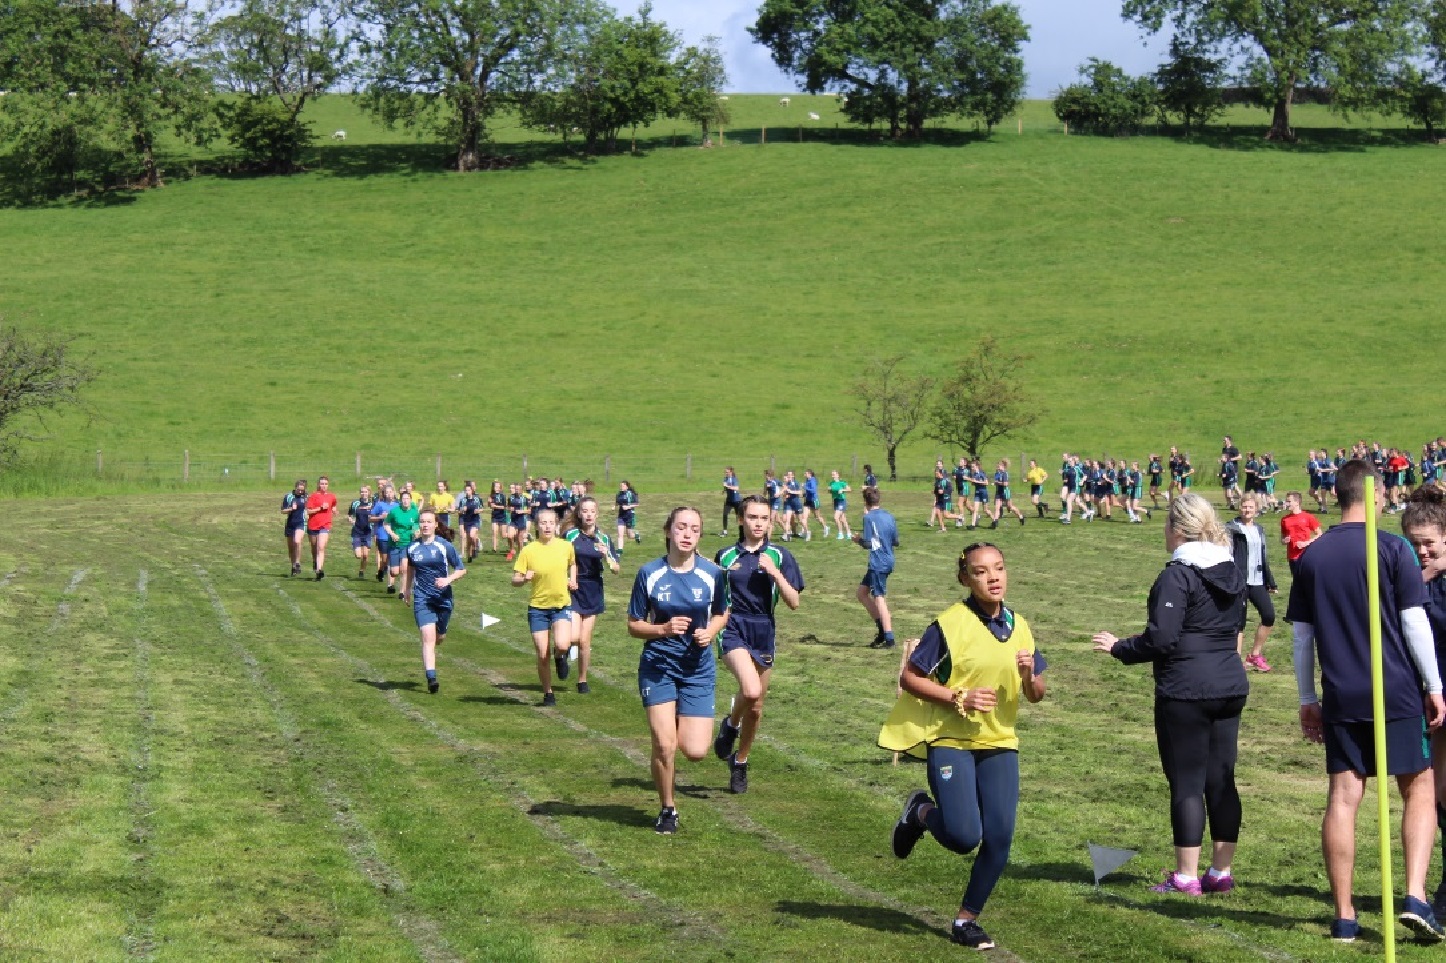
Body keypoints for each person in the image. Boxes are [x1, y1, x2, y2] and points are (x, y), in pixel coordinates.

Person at [1289, 459, 1445, 943]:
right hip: (1397, 690)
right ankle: (1415, 896)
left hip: (1340, 692)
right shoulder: (1393, 548)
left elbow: (1301, 638)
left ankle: (1344, 915)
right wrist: (1434, 685)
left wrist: (1307, 697)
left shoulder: (1311, 556)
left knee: (1342, 797)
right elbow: (1415, 622)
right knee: (1419, 787)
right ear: (1375, 494)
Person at [880, 542, 1046, 952]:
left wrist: (1029, 675)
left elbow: (1037, 693)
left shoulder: (1020, 626)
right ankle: (920, 812)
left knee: (1000, 837)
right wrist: (959, 697)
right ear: (964, 578)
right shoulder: (950, 624)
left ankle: (965, 920)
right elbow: (910, 678)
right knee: (962, 836)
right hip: (952, 740)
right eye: (980, 571)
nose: (993, 577)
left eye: (999, 568)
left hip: (1000, 742)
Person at [1092, 493, 1248, 898]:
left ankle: (1185, 876)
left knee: (1187, 782)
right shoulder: (1232, 569)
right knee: (1222, 779)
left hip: (1187, 689)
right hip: (1230, 683)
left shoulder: (1177, 575)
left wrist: (1120, 647)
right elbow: (1238, 625)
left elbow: (1162, 638)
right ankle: (1221, 872)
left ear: (1178, 530)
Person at [627, 507, 729, 834]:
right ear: (668, 530)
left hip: (697, 669)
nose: (687, 534)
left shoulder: (712, 574)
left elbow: (722, 612)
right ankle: (668, 808)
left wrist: (710, 632)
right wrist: (663, 629)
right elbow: (633, 625)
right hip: (658, 666)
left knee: (696, 751)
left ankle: (679, 726)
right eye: (682, 527)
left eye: (694, 529)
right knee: (664, 745)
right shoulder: (649, 573)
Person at [713, 495, 804, 794]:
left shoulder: (779, 555)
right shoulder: (726, 556)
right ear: (741, 519)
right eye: (752, 517)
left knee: (756, 707)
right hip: (733, 626)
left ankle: (740, 761)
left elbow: (794, 602)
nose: (758, 523)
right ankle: (731, 725)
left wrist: (775, 573)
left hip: (763, 629)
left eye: (764, 518)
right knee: (750, 690)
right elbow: (715, 599)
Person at [1400, 485, 1446, 915]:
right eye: (1414, 544)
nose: (1422, 552)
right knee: (1438, 791)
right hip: (1429, 698)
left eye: (1429, 543)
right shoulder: (1412, 579)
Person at [512, 509, 578, 707]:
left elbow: (573, 564)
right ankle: (548, 693)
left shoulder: (566, 546)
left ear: (556, 525)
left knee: (563, 644)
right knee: (542, 654)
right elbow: (514, 579)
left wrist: (573, 579)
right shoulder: (528, 550)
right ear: (537, 526)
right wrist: (524, 579)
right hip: (538, 609)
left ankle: (560, 656)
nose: (547, 526)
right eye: (543, 523)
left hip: (561, 605)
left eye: (551, 522)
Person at [404, 509, 466, 694]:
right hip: (422, 598)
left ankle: (442, 631)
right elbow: (410, 569)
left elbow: (461, 569)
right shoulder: (412, 547)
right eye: (422, 521)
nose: (425, 525)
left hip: (443, 598)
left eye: (429, 522)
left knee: (439, 638)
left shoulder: (444, 546)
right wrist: (406, 589)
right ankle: (431, 678)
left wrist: (448, 579)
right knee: (427, 637)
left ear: (435, 525)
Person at [565, 497, 621, 695]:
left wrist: (606, 555)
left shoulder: (603, 538)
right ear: (579, 514)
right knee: (573, 637)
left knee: (584, 641)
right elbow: (559, 558)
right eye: (585, 511)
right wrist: (566, 579)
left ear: (597, 514)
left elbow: (616, 569)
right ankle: (561, 653)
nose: (588, 515)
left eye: (592, 511)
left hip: (593, 589)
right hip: (573, 587)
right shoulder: (570, 535)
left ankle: (582, 680)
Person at [1227, 494, 1277, 672]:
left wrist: (1270, 581)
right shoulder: (1231, 528)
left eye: (1250, 507)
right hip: (1239, 581)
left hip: (1257, 581)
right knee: (1239, 622)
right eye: (1244, 506)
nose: (1247, 510)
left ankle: (1254, 655)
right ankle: (1235, 661)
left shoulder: (1259, 529)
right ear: (1239, 507)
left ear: (1256, 510)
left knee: (1269, 616)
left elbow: (1263, 556)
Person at [855, 486, 899, 649]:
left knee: (879, 597)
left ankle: (889, 637)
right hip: (888, 560)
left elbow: (867, 543)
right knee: (862, 593)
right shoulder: (889, 516)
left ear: (865, 502)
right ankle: (881, 629)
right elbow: (896, 541)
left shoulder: (868, 518)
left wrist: (857, 540)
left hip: (878, 563)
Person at [383, 490, 421, 602]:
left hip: (407, 544)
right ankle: (391, 572)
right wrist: (392, 534)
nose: (405, 501)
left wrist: (416, 531)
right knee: (394, 572)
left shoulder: (414, 512)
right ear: (400, 500)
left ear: (411, 500)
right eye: (403, 499)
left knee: (405, 568)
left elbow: (417, 524)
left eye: (407, 499)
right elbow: (386, 523)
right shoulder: (395, 511)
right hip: (395, 544)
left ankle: (402, 592)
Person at [1280, 491, 1322, 579]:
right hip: (1292, 557)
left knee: (1308, 581)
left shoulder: (1308, 517)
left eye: (1289, 501)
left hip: (1306, 556)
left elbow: (1320, 534)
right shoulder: (1285, 520)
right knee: (1297, 582)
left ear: (1297, 502)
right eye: (1286, 501)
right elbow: (1282, 539)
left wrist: (1307, 543)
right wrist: (1285, 540)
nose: (1287, 504)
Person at [305, 475, 338, 580]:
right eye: (322, 484)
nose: (324, 486)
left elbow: (333, 505)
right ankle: (315, 561)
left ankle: (319, 570)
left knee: (321, 547)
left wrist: (334, 510)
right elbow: (308, 511)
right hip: (313, 525)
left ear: (328, 485)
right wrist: (320, 508)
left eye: (325, 484)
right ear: (319, 484)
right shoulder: (313, 496)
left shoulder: (331, 496)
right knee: (314, 548)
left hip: (325, 525)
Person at [369, 486, 398, 589]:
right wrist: (380, 517)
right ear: (384, 494)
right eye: (387, 492)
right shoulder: (380, 504)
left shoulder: (398, 505)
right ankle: (381, 569)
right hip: (382, 535)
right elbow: (370, 518)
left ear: (394, 493)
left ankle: (391, 585)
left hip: (394, 535)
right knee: (385, 559)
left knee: (392, 560)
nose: (389, 494)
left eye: (390, 492)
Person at [280, 479, 308, 577]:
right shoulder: (288, 497)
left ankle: (297, 562)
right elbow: (282, 511)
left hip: (301, 523)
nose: (300, 491)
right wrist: (291, 509)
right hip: (290, 524)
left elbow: (310, 508)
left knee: (297, 541)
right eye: (298, 490)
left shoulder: (306, 497)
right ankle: (293, 567)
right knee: (291, 548)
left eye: (302, 490)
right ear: (295, 488)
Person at [346, 485, 375, 579]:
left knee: (365, 555)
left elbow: (376, 515)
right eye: (362, 492)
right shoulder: (355, 503)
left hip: (367, 532)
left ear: (369, 493)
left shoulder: (372, 504)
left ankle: (362, 571)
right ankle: (356, 546)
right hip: (357, 531)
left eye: (365, 492)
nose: (364, 493)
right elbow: (349, 515)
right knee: (358, 555)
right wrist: (351, 520)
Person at [989, 459, 1026, 529]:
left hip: (1005, 492)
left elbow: (1005, 484)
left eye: (999, 465)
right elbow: (996, 481)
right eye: (997, 465)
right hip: (998, 492)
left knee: (1010, 507)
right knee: (997, 507)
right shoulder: (996, 473)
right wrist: (995, 483)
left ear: (1003, 466)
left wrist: (997, 483)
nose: (998, 467)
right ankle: (995, 521)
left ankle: (1021, 516)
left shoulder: (1005, 474)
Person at [455, 480, 484, 562]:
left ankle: (474, 548)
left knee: (472, 535)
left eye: (469, 490)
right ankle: (469, 555)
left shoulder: (477, 499)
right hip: (467, 521)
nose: (467, 492)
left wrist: (478, 511)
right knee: (469, 540)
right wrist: (462, 510)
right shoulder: (463, 500)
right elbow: (459, 511)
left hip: (475, 520)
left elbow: (482, 508)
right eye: (466, 490)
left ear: (472, 491)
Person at [803, 469, 829, 538]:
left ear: (810, 474)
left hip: (814, 501)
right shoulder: (807, 480)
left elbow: (813, 490)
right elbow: (808, 491)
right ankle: (806, 532)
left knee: (817, 517)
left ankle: (825, 527)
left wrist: (805, 487)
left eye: (806, 473)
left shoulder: (813, 480)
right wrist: (805, 494)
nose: (804, 475)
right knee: (804, 517)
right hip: (807, 501)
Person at [616, 480, 641, 552]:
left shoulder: (631, 494)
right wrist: (614, 506)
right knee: (620, 534)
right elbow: (617, 502)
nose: (621, 487)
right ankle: (620, 550)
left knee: (629, 535)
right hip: (621, 516)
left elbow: (637, 503)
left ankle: (636, 535)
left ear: (627, 487)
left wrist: (628, 507)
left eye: (623, 486)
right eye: (620, 486)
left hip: (629, 515)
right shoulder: (619, 494)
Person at [828, 470, 853, 540]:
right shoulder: (831, 483)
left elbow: (849, 489)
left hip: (841, 501)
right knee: (843, 519)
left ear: (838, 475)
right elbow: (830, 491)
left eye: (834, 475)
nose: (832, 476)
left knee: (836, 517)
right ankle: (849, 533)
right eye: (832, 475)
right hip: (835, 501)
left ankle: (840, 533)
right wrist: (829, 490)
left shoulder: (842, 483)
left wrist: (843, 490)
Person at [721, 466, 743, 536]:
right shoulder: (725, 479)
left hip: (736, 500)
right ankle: (725, 531)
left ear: (731, 472)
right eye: (725, 472)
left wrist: (727, 486)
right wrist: (724, 490)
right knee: (725, 514)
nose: (726, 473)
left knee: (738, 517)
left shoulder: (734, 479)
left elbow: (737, 488)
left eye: (727, 472)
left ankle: (742, 532)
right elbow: (726, 486)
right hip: (729, 500)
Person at [488, 481, 509, 554]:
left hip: (502, 516)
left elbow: (504, 507)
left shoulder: (503, 496)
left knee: (503, 535)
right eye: (495, 486)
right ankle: (494, 549)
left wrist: (495, 506)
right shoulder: (491, 496)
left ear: (500, 488)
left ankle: (513, 536)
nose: (496, 488)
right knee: (494, 532)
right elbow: (490, 506)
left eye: (498, 486)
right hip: (494, 516)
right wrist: (489, 503)